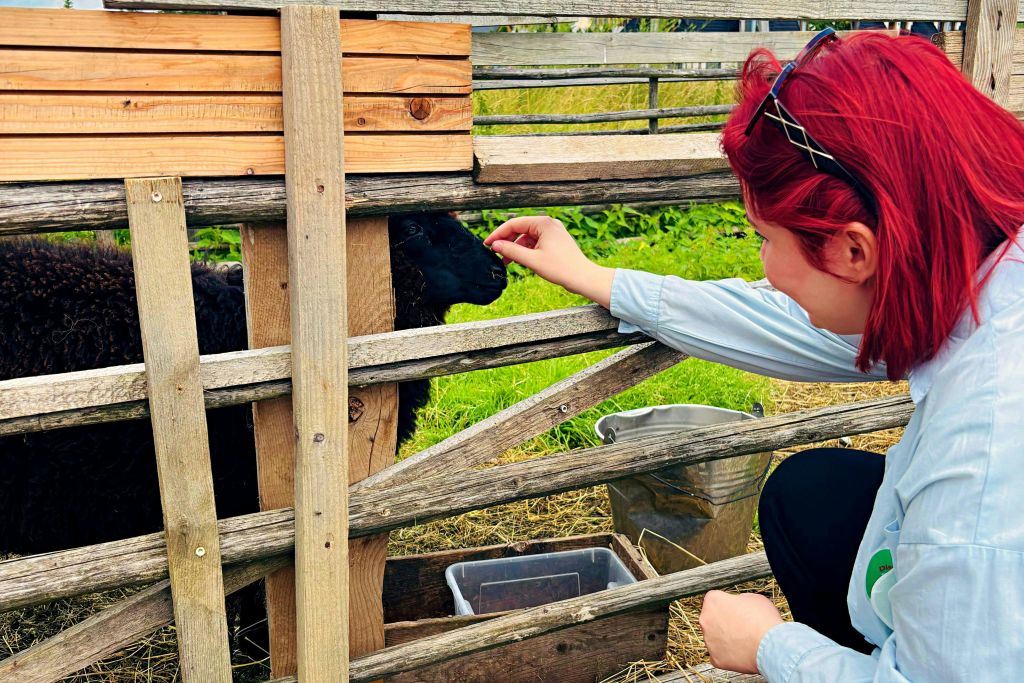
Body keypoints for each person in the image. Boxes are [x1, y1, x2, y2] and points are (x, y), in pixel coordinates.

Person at [484, 28, 1024, 681]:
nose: (765, 269)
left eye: (765, 238)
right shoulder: (976, 266)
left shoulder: (987, 444)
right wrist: (604, 279)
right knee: (815, 497)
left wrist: (771, 646)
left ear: (855, 252)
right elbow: (780, 319)